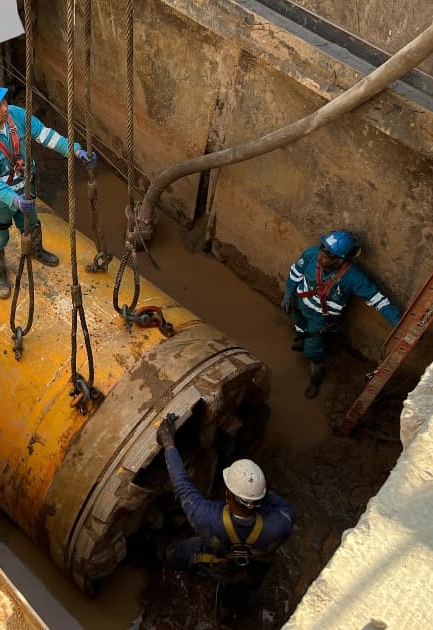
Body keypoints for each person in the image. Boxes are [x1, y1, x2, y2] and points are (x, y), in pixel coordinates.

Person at [156, 414, 295, 623]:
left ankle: (166, 561)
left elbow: (182, 486)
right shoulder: (282, 521)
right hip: (253, 569)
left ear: (228, 495)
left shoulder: (207, 517)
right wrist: (257, 490)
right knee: (239, 594)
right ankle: (227, 615)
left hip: (217, 560)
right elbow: (275, 501)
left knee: (176, 553)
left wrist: (168, 443)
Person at [0, 80, 96, 299]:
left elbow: (45, 135)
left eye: (4, 101)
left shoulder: (16, 114)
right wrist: (13, 199)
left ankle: (36, 250)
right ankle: (0, 272)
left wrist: (75, 150)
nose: (5, 108)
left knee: (31, 222)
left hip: (25, 186)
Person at [281, 230, 402, 398]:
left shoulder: (353, 277)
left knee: (312, 350)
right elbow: (295, 273)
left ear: (340, 260)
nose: (320, 258)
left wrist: (399, 322)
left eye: (326, 257)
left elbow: (377, 300)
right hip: (300, 305)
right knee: (299, 326)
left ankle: (316, 376)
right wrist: (288, 294)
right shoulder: (311, 254)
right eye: (321, 251)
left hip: (319, 318)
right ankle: (301, 338)